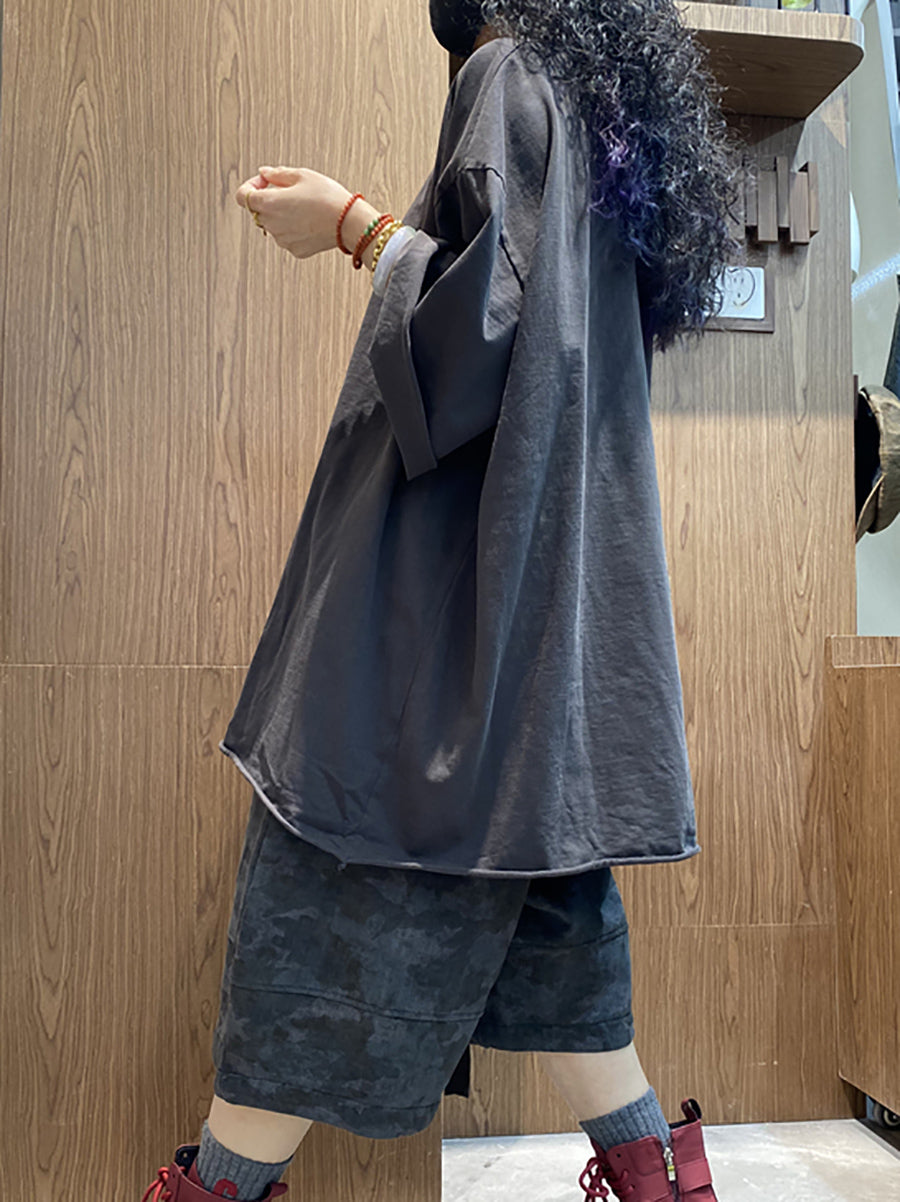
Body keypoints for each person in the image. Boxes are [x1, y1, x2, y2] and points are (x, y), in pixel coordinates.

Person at [142, 2, 741, 1199]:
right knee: (565, 966)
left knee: (310, 936)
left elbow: (478, 341)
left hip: (448, 623)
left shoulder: (507, 70)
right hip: (542, 646)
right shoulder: (601, 111)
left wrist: (354, 226)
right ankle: (665, 1181)